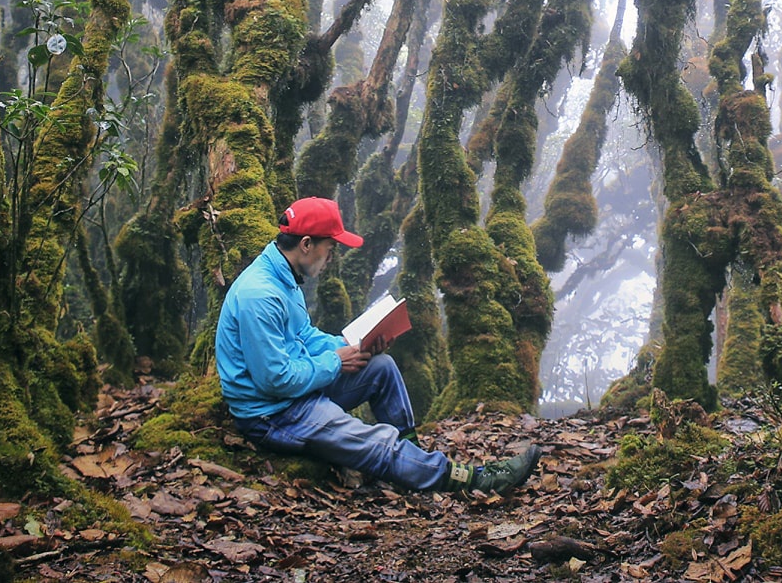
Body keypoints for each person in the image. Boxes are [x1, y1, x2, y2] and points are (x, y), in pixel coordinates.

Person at [214, 197, 539, 493]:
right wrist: (336, 363)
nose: (331, 258)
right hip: (273, 414)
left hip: (294, 393)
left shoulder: (285, 277)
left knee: (381, 367)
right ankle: (477, 480)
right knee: (376, 442)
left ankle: (413, 455)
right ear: (307, 243)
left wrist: (353, 345)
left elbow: (305, 337)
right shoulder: (261, 295)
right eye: (331, 248)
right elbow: (275, 379)